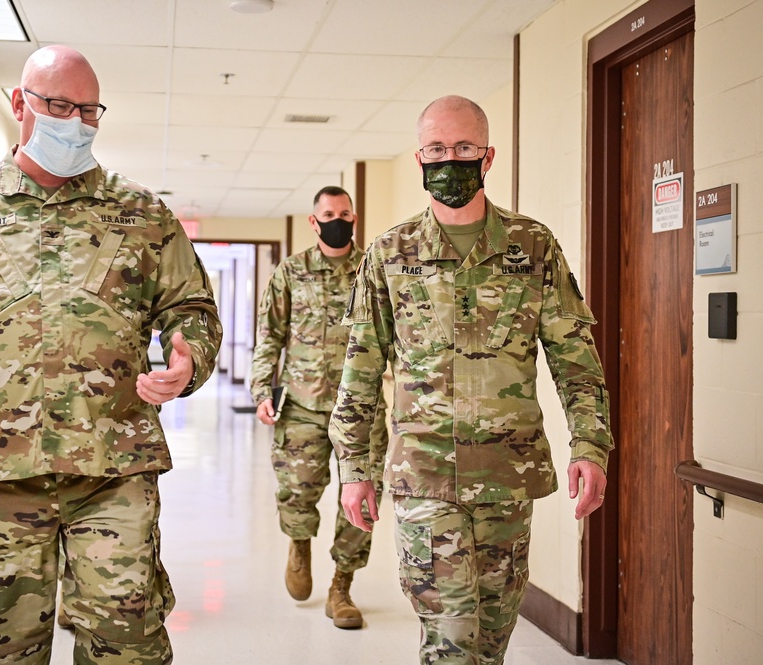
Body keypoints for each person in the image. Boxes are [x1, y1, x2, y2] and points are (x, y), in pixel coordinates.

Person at [0, 45, 222, 665]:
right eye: (59, 104)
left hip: (115, 470)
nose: (75, 121)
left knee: (126, 644)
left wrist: (188, 359)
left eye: (89, 109)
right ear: (20, 104)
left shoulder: (143, 215)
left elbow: (191, 308)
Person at [329, 96, 614, 664]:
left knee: (490, 638)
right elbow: (361, 367)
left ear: (487, 157)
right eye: (437, 149)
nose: (449, 160)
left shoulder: (532, 247)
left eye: (463, 149)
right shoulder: (390, 253)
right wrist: (354, 471)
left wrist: (591, 444)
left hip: (508, 477)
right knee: (450, 639)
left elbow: (575, 357)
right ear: (420, 159)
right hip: (424, 475)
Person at [249, 186, 388, 630]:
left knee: (362, 501)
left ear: (355, 217)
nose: (337, 219)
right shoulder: (291, 272)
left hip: (360, 411)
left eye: (344, 213)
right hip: (303, 406)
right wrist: (261, 389)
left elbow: (396, 335)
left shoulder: (373, 271)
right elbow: (269, 334)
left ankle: (341, 588)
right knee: (299, 491)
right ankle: (299, 546)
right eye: (328, 213)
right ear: (314, 221)